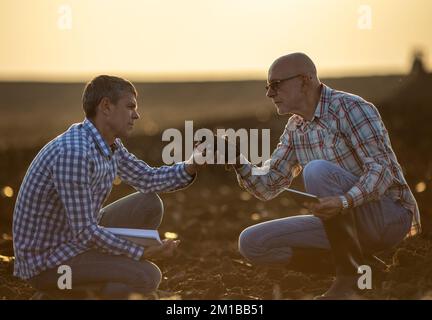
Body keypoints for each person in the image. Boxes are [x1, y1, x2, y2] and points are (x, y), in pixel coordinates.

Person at [232, 53, 421, 299]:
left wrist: (344, 202)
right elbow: (268, 185)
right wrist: (236, 161)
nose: (269, 93)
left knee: (316, 170)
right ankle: (366, 270)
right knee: (252, 242)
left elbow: (381, 170)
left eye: (276, 84)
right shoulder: (295, 128)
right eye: (268, 86)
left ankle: (347, 280)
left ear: (304, 80)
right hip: (343, 225)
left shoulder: (351, 108)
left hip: (388, 216)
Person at [12, 75, 205, 299]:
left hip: (75, 239)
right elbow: (85, 232)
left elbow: (148, 178)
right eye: (130, 106)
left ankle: (100, 280)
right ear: (105, 106)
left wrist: (192, 164)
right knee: (148, 277)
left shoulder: (110, 144)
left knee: (149, 203)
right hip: (49, 263)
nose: (136, 114)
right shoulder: (74, 153)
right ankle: (59, 293)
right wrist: (140, 252)